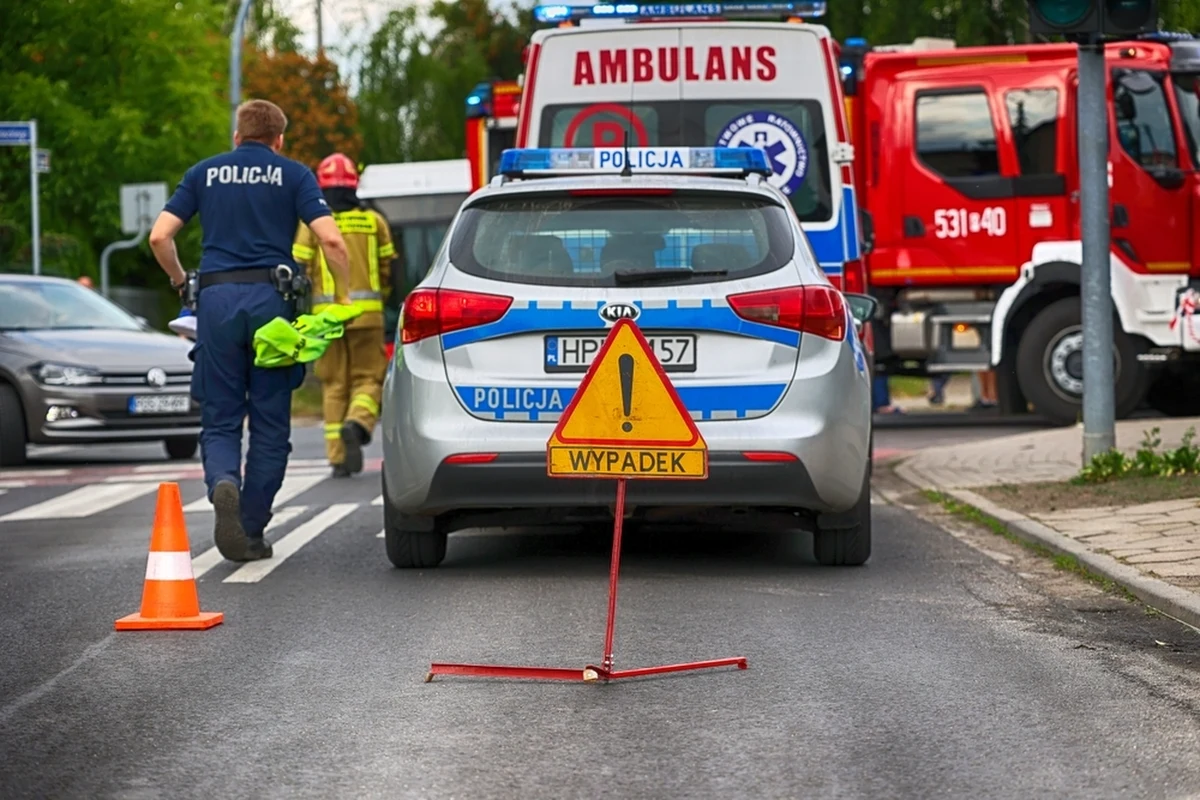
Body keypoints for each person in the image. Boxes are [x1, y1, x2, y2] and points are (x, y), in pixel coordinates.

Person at [147, 99, 352, 563]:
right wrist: (342, 295)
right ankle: (252, 529)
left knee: (219, 418)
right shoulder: (295, 174)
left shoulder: (204, 173)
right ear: (279, 139)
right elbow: (332, 241)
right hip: (272, 306)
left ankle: (223, 482)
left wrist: (181, 282)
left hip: (216, 303)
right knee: (270, 425)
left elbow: (160, 235)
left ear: (237, 136)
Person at [292, 153, 394, 478]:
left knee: (333, 384)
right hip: (368, 316)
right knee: (368, 378)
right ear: (354, 185)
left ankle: (337, 458)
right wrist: (384, 298)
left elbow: (299, 269)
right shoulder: (374, 221)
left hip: (327, 319)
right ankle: (358, 422)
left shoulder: (313, 223)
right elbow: (390, 268)